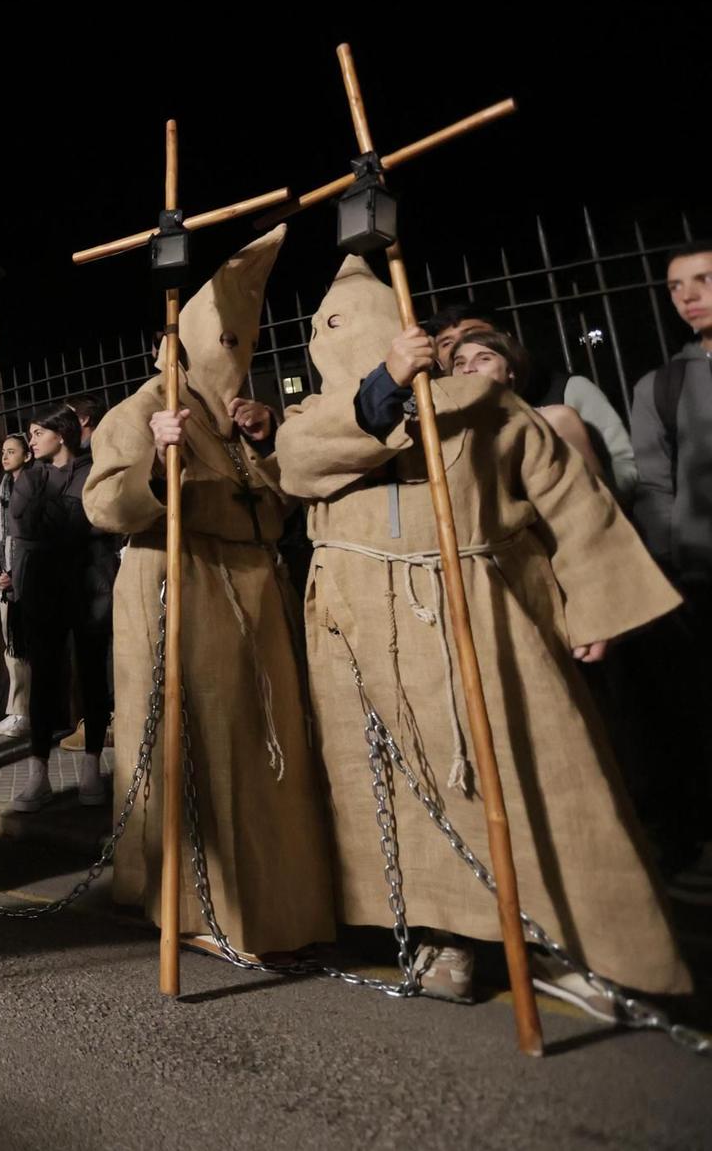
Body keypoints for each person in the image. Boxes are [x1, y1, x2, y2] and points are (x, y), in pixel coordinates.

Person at [277, 254, 688, 1012]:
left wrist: (594, 605)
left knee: (536, 775)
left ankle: (573, 941)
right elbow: (302, 465)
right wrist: (384, 388)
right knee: (407, 788)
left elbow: (571, 497)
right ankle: (446, 937)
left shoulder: (489, 406)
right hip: (367, 640)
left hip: (481, 619)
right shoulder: (314, 422)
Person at [83, 226, 336, 959]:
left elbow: (276, 503)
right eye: (223, 342)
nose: (236, 360)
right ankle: (194, 904)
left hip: (255, 602)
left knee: (260, 756)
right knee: (196, 754)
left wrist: (262, 446)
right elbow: (106, 505)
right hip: (182, 592)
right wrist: (159, 468)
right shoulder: (141, 412)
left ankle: (272, 898)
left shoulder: (237, 420)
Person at [628, 248, 712, 890]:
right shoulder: (663, 384)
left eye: (704, 281)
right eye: (676, 287)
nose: (688, 296)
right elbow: (654, 488)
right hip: (700, 580)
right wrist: (672, 570)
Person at [9, 407, 113, 810]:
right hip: (44, 585)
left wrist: (62, 519)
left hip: (90, 583)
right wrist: (71, 518)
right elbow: (23, 524)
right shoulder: (30, 477)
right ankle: (38, 773)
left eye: (38, 433)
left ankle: (92, 768)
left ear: (62, 434)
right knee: (45, 677)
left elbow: (100, 518)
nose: (31, 440)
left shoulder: (92, 469)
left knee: (91, 675)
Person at [427, 300, 639, 495]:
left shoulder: (566, 393)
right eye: (446, 344)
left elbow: (623, 466)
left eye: (472, 333)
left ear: (505, 340)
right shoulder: (441, 419)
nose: (462, 346)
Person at [451, 330, 607, 478]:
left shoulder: (553, 419)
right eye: (459, 363)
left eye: (484, 358)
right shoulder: (449, 433)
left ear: (510, 369)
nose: (468, 369)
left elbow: (596, 491)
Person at [0, 434, 34, 740]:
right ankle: (19, 711)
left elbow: (30, 535)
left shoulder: (31, 487)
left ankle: (25, 713)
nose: (5, 456)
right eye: (2, 451)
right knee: (12, 648)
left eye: (12, 451)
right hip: (8, 582)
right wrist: (0, 571)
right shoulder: (1, 492)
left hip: (28, 581)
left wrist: (15, 572)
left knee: (26, 649)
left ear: (27, 456)